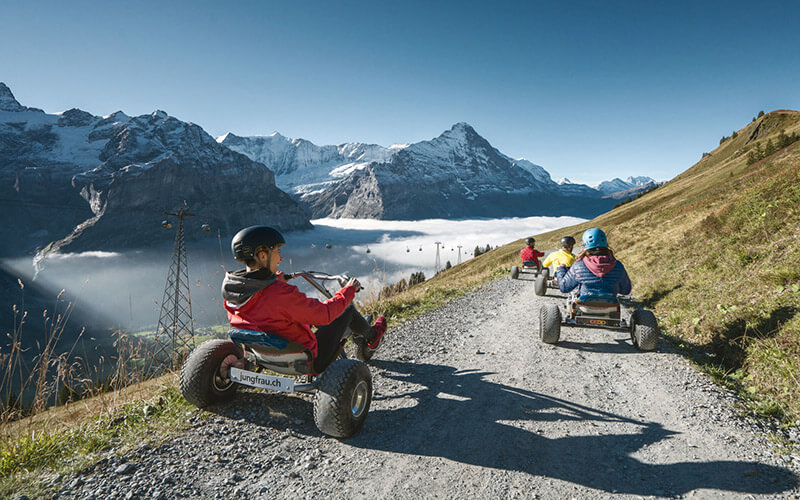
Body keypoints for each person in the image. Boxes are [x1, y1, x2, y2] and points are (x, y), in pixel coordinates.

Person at [221, 225, 386, 374]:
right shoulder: (280, 294)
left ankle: (365, 334)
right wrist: (349, 290)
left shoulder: (233, 290)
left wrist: (275, 279)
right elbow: (324, 315)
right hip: (304, 359)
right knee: (346, 309)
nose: (281, 258)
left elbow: (264, 303)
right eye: (278, 251)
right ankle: (372, 337)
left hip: (262, 353)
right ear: (263, 255)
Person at [557, 228, 631, 301]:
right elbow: (626, 290)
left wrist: (561, 270)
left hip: (585, 308)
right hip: (610, 308)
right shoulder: (617, 265)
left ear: (585, 245)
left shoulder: (578, 265)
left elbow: (564, 288)